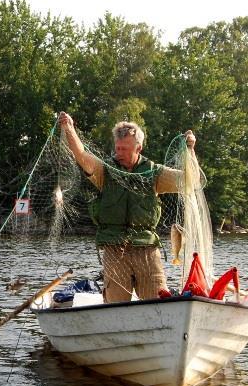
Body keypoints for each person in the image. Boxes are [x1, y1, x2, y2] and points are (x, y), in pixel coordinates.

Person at [57, 111, 197, 303]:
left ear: (138, 148)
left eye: (124, 149)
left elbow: (190, 180)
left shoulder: (154, 173)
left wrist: (190, 149)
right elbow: (81, 155)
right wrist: (69, 128)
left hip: (146, 249)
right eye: (117, 148)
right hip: (114, 250)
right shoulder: (105, 171)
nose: (119, 153)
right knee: (115, 305)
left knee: (158, 302)